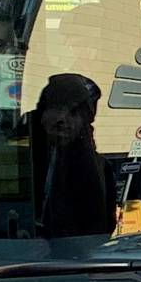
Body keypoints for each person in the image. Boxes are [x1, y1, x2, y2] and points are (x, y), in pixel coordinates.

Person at [24, 73, 114, 237]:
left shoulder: (99, 169)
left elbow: (98, 234)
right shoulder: (19, 159)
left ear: (84, 122)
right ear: (42, 114)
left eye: (73, 113)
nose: (62, 120)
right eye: (57, 108)